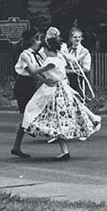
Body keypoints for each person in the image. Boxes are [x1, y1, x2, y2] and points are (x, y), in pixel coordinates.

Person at [21, 37, 101, 160]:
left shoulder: (51, 61)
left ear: (48, 49)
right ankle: (64, 151)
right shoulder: (59, 58)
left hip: (53, 91)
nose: (43, 51)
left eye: (45, 49)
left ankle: (32, 129)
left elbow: (35, 71)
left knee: (36, 111)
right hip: (60, 89)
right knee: (57, 120)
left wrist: (26, 60)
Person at [11, 29, 49, 158]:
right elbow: (33, 72)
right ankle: (17, 145)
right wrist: (45, 80)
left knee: (33, 111)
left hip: (31, 85)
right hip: (23, 85)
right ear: (30, 40)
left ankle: (18, 145)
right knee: (26, 114)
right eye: (37, 38)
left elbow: (42, 69)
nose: (40, 41)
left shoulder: (37, 55)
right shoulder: (25, 55)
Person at [64, 27, 93, 102]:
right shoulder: (67, 51)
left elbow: (87, 69)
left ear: (82, 38)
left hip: (80, 78)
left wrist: (70, 71)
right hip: (68, 79)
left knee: (80, 99)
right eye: (75, 37)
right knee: (69, 99)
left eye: (79, 37)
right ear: (70, 39)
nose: (77, 39)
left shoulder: (85, 51)